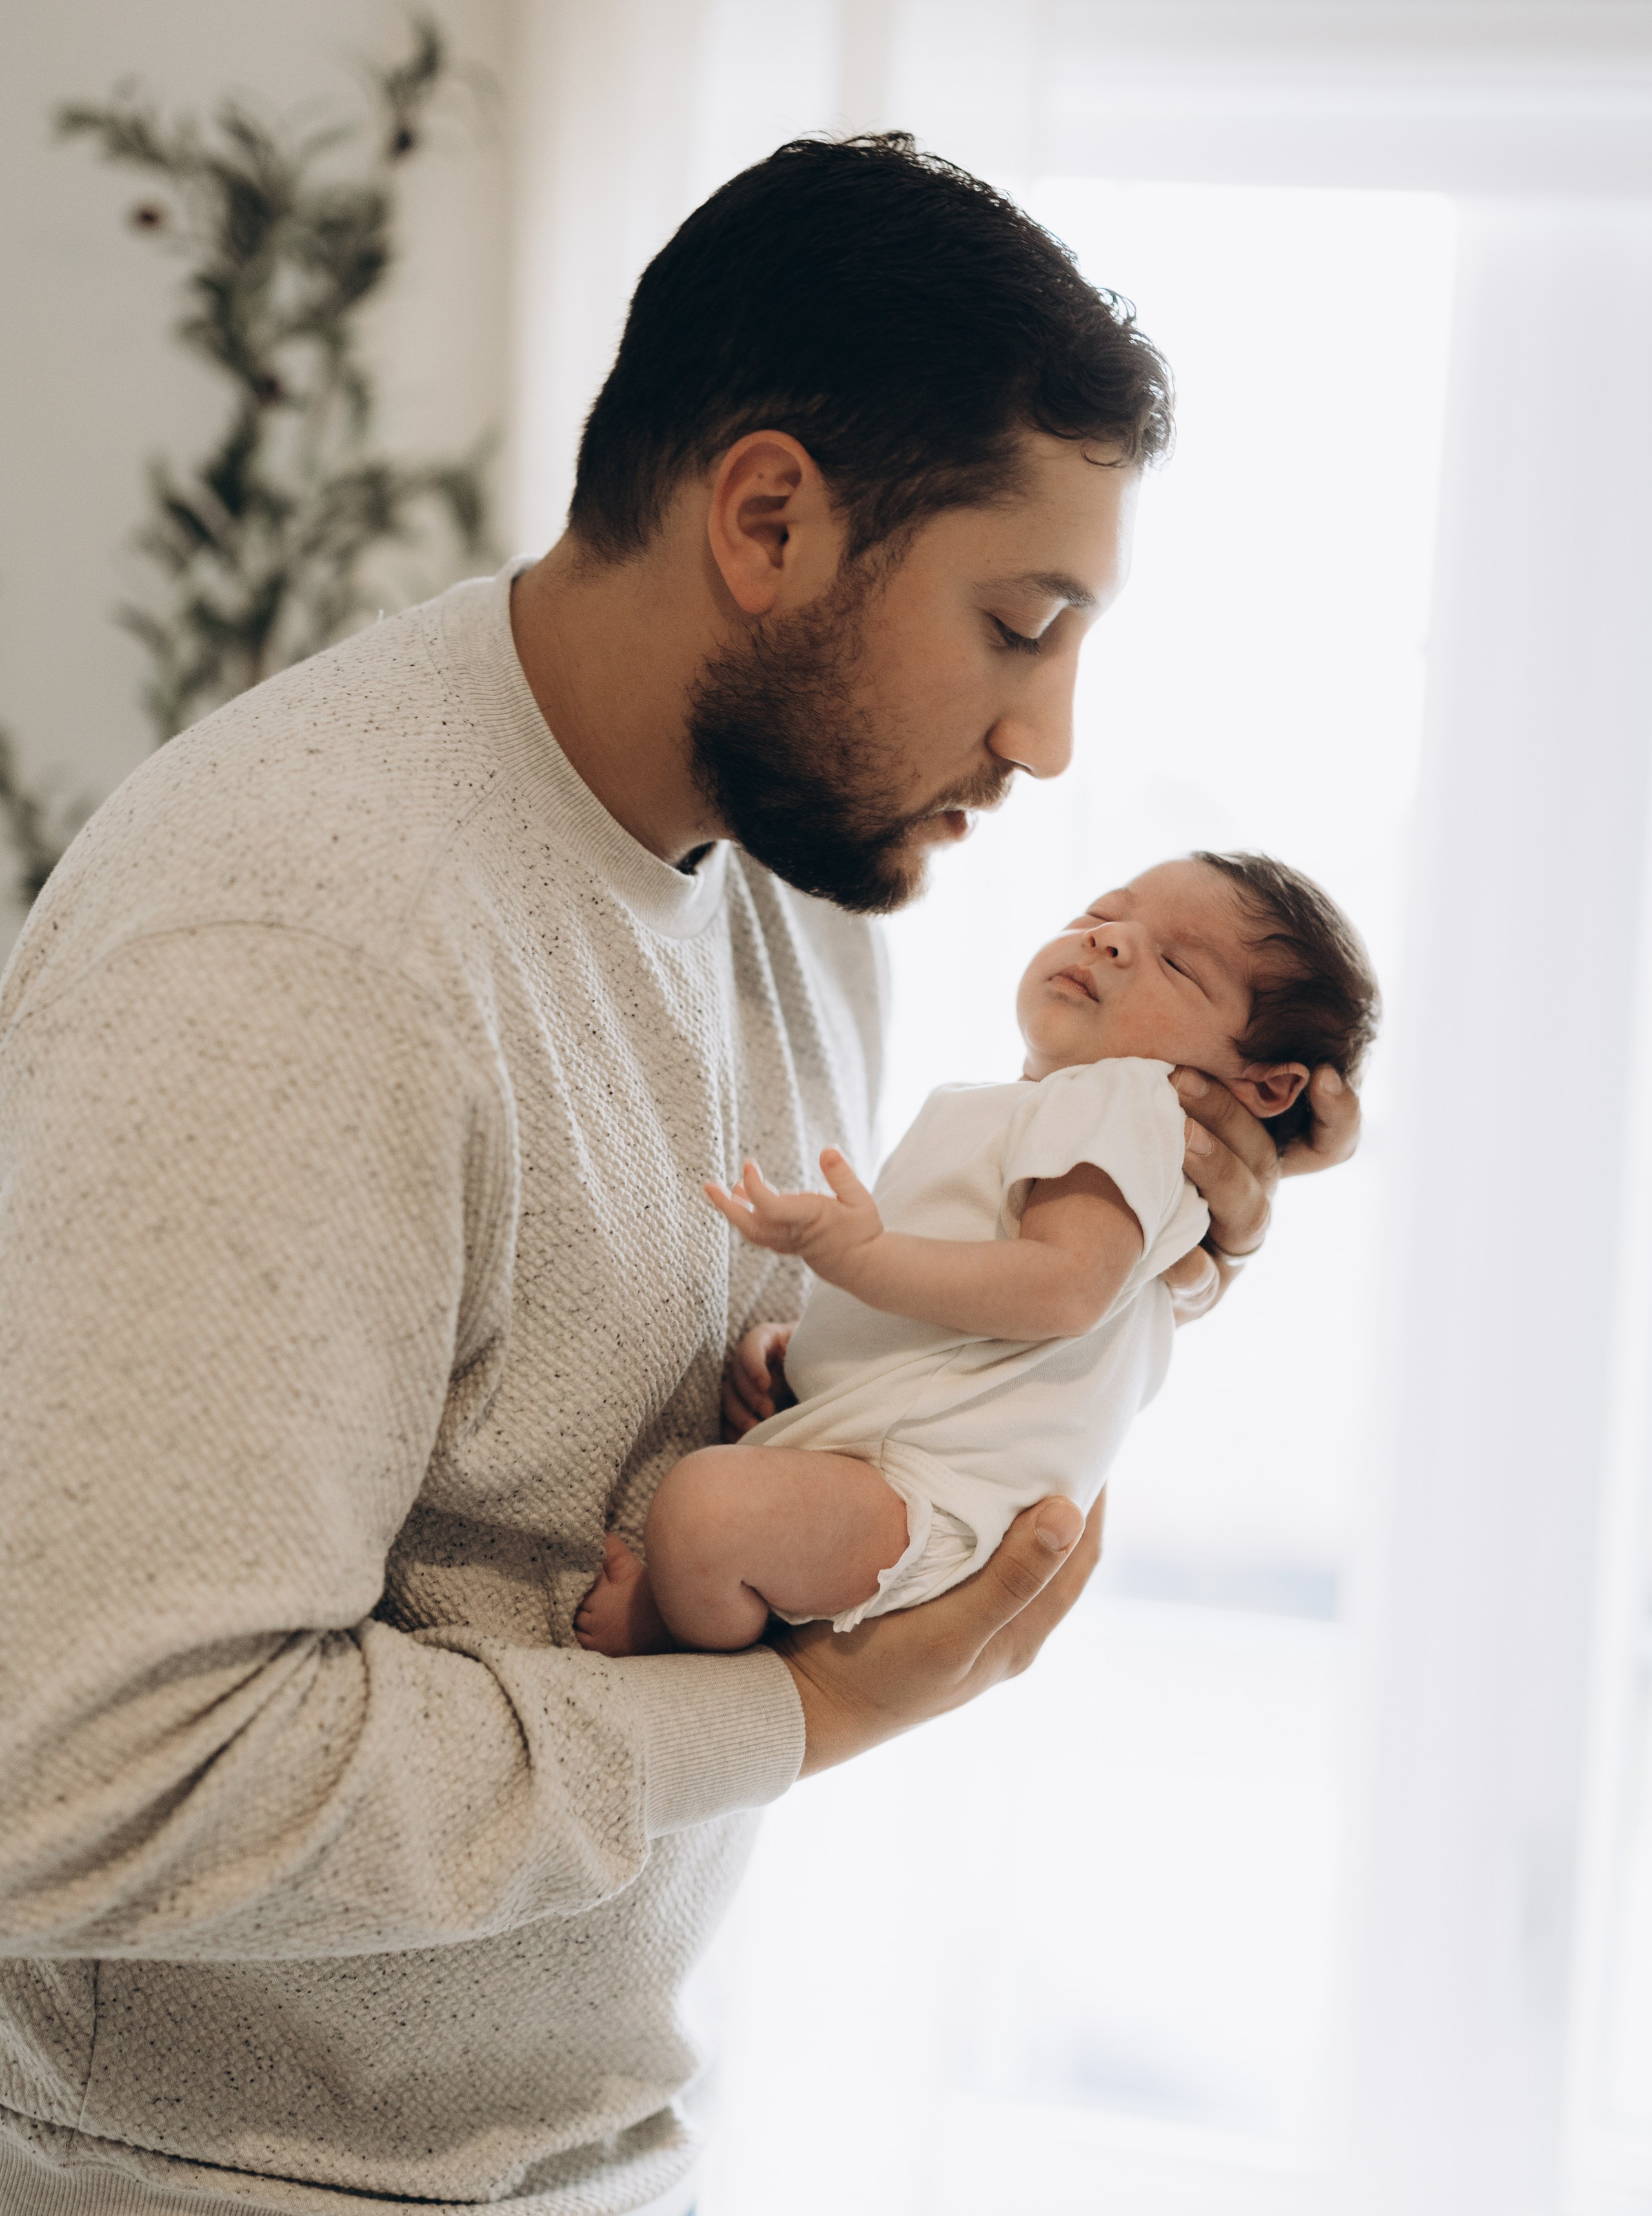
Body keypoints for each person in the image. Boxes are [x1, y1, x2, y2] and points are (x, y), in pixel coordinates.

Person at [0, 137, 1358, 2216]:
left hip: (588, 2157)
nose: (1052, 740)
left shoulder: (791, 871)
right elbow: (91, 1779)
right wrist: (798, 1718)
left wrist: (1108, 1256)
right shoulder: (303, 947)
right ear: (767, 519)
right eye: (1019, 624)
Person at [575, 852, 1378, 1657]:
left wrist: (864, 1259)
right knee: (717, 1510)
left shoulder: (1132, 1099)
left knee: (705, 1514)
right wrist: (819, 1344)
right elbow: (978, 1308)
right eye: (1102, 913)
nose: (1108, 941)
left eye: (1177, 964)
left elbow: (1066, 1288)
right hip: (897, 1463)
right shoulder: (1047, 1114)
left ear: (1266, 1087)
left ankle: (670, 1629)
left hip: (927, 1490)